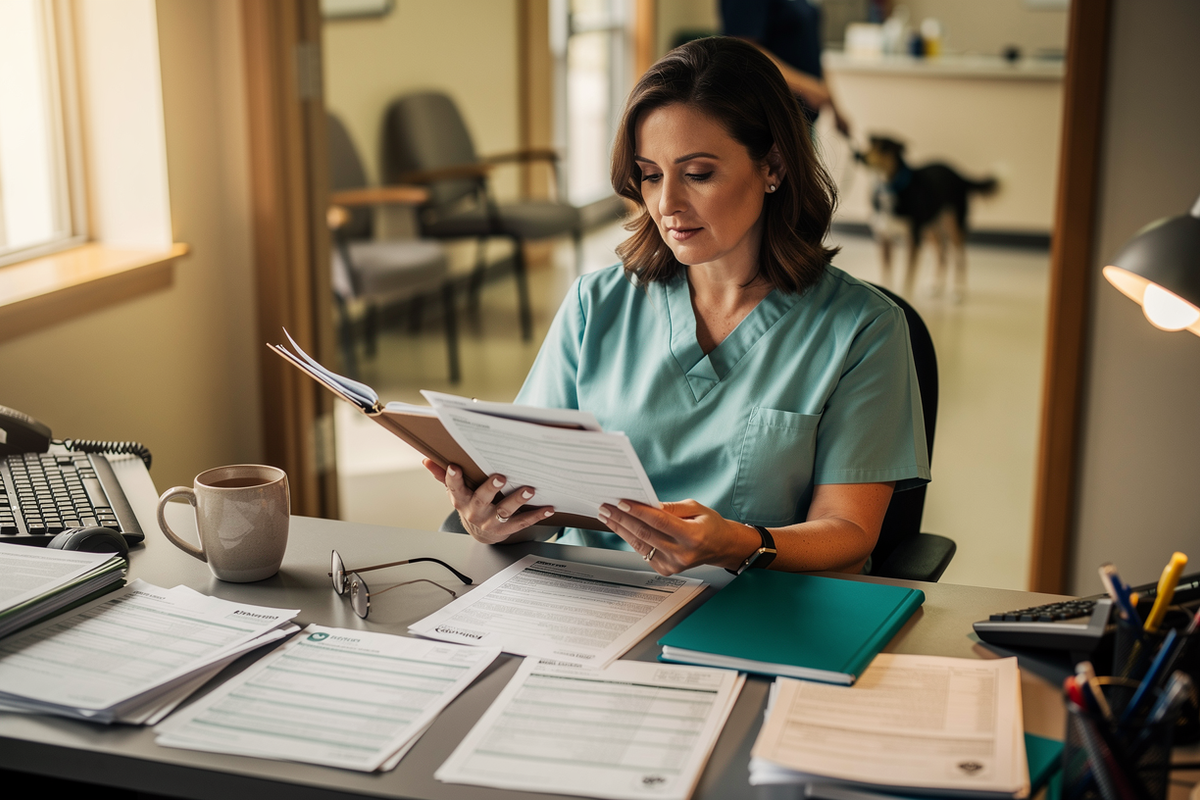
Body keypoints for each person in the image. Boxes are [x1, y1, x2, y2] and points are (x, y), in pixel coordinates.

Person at [424, 37, 928, 576]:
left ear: (773, 165)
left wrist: (737, 543)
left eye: (698, 174)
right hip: (594, 600)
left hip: (761, 607)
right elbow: (539, 498)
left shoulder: (863, 329)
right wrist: (493, 518)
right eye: (651, 174)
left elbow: (849, 532)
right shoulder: (594, 304)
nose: (668, 205)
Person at [720, 0, 851, 137]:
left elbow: (810, 49)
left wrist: (834, 104)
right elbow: (743, 51)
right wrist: (805, 86)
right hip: (770, 119)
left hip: (800, 118)